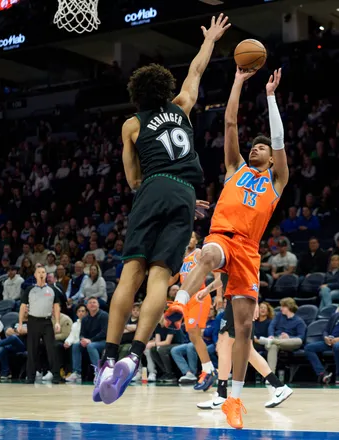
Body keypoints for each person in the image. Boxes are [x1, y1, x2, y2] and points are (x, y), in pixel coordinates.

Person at [94, 14, 230, 406]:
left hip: (154, 188)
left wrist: (152, 185)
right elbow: (197, 69)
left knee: (131, 274)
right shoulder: (183, 106)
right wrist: (210, 40)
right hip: (187, 194)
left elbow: (133, 179)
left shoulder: (131, 125)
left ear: (137, 94)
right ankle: (135, 355)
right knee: (159, 279)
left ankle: (107, 357)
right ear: (166, 89)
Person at [168, 67, 288, 429]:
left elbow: (280, 140)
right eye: (256, 145)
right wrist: (237, 79)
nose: (257, 148)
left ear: (271, 157)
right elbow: (231, 124)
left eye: (262, 147)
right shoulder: (235, 167)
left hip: (249, 252)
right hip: (223, 236)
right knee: (206, 254)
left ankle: (234, 398)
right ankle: (180, 303)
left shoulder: (277, 180)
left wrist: (270, 96)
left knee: (242, 331)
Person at [196, 298, 293, 411]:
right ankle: (279, 386)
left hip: (239, 302)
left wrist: (255, 301)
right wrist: (209, 289)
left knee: (225, 346)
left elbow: (253, 280)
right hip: (238, 302)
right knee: (247, 351)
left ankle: (221, 394)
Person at [172, 232, 221, 391]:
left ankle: (208, 370)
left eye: (192, 237)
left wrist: (218, 296)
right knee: (192, 335)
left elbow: (218, 273)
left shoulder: (200, 253)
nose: (189, 240)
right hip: (186, 299)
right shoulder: (181, 258)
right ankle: (208, 370)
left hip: (199, 296)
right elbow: (172, 280)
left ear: (196, 240)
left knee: (193, 333)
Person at [18, 265, 61, 384]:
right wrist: (20, 323)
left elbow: (56, 307)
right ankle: (30, 376)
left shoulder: (52, 290)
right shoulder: (29, 289)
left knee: (51, 349)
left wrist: (57, 322)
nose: (41, 274)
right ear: (35, 275)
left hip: (47, 321)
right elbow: (22, 307)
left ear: (46, 275)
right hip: (33, 321)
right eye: (39, 272)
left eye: (43, 272)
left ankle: (56, 375)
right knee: (32, 350)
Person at [304, 297, 339, 384]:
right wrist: (325, 337)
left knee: (337, 346)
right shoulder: (335, 315)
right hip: (329, 340)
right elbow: (326, 330)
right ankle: (322, 373)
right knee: (308, 348)